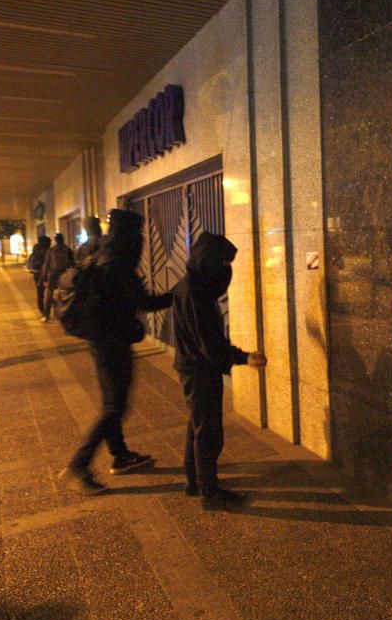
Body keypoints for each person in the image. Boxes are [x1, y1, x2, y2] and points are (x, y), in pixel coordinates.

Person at [58, 209, 172, 495]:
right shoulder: (117, 265)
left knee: (112, 402)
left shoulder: (99, 254)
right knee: (114, 408)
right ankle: (79, 466)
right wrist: (180, 292)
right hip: (111, 341)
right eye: (139, 237)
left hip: (101, 339)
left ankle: (120, 455)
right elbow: (145, 303)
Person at [171, 233, 266, 510]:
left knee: (198, 426)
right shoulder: (194, 294)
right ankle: (209, 493)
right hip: (199, 370)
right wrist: (243, 357)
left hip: (194, 367)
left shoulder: (191, 286)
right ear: (209, 262)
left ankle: (195, 482)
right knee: (208, 432)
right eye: (224, 263)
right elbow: (210, 344)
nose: (227, 270)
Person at [39, 233, 75, 322]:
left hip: (53, 274)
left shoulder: (51, 250)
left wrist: (44, 278)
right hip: (64, 273)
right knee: (66, 294)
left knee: (49, 294)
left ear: (56, 240)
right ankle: (65, 313)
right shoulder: (67, 250)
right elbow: (73, 263)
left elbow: (46, 264)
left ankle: (46, 315)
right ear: (63, 239)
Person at [25, 236, 51, 317]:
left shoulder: (35, 250)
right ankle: (48, 309)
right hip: (48, 274)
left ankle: (42, 309)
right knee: (51, 292)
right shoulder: (48, 250)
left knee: (40, 293)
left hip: (37, 274)